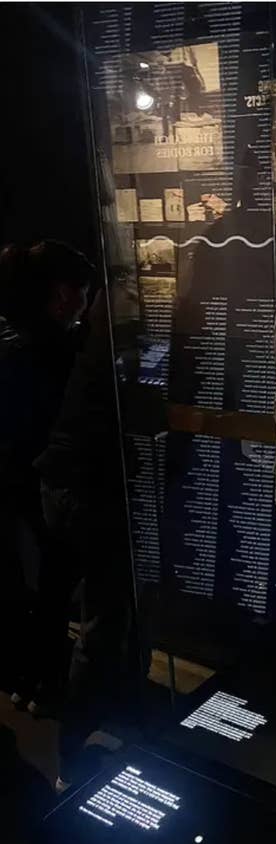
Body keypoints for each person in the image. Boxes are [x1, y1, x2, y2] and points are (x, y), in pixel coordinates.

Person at [35, 280, 147, 789]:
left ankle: (100, 731)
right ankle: (74, 757)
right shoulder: (120, 348)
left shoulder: (102, 340)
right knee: (105, 621)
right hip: (89, 493)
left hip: (71, 486)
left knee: (111, 615)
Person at [0, 240, 94, 708]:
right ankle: (53, 684)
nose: (86, 303)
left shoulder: (12, 342)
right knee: (56, 584)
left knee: (32, 582)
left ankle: (28, 678)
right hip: (48, 484)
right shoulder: (64, 351)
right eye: (84, 293)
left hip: (15, 480)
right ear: (62, 294)